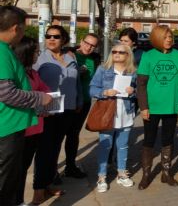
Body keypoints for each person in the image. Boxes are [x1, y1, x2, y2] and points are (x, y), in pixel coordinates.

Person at [136, 25, 178, 190]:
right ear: (157, 38)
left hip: (172, 105)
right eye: (165, 37)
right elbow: (141, 84)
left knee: (168, 139)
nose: (169, 40)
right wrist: (143, 106)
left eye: (170, 37)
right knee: (149, 140)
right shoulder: (148, 56)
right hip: (152, 106)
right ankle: (146, 174)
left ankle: (166, 172)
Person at [0, 7, 52, 205]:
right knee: (5, 184)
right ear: (15, 28)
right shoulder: (2, 52)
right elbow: (6, 92)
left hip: (11, 126)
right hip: (7, 128)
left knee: (10, 182)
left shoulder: (6, 51)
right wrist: (40, 98)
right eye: (23, 29)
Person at [33, 25, 83, 203]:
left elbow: (76, 82)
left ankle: (48, 184)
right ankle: (38, 189)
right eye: (48, 36)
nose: (51, 39)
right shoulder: (40, 59)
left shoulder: (70, 57)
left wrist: (79, 101)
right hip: (49, 110)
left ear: (64, 40)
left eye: (56, 36)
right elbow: (33, 84)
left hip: (68, 109)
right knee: (44, 150)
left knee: (55, 149)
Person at [89, 44, 137, 193]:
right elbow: (92, 89)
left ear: (127, 55)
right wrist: (105, 92)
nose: (116, 54)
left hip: (126, 113)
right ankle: (101, 176)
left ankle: (122, 174)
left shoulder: (133, 72)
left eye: (121, 52)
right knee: (105, 145)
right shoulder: (103, 69)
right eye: (114, 51)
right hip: (108, 113)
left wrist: (133, 91)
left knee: (123, 145)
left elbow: (139, 92)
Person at [13, 36, 51, 206]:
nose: (38, 54)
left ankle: (18, 200)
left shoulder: (32, 72)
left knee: (23, 169)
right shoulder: (15, 74)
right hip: (19, 129)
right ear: (26, 53)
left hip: (35, 127)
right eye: (36, 51)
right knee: (15, 173)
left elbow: (46, 90)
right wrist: (40, 100)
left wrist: (45, 102)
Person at [61, 33, 100, 180]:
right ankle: (51, 170)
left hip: (84, 102)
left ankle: (70, 166)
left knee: (73, 135)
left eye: (93, 45)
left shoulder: (95, 58)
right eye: (87, 43)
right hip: (68, 102)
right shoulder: (69, 54)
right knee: (58, 137)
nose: (88, 47)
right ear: (81, 41)